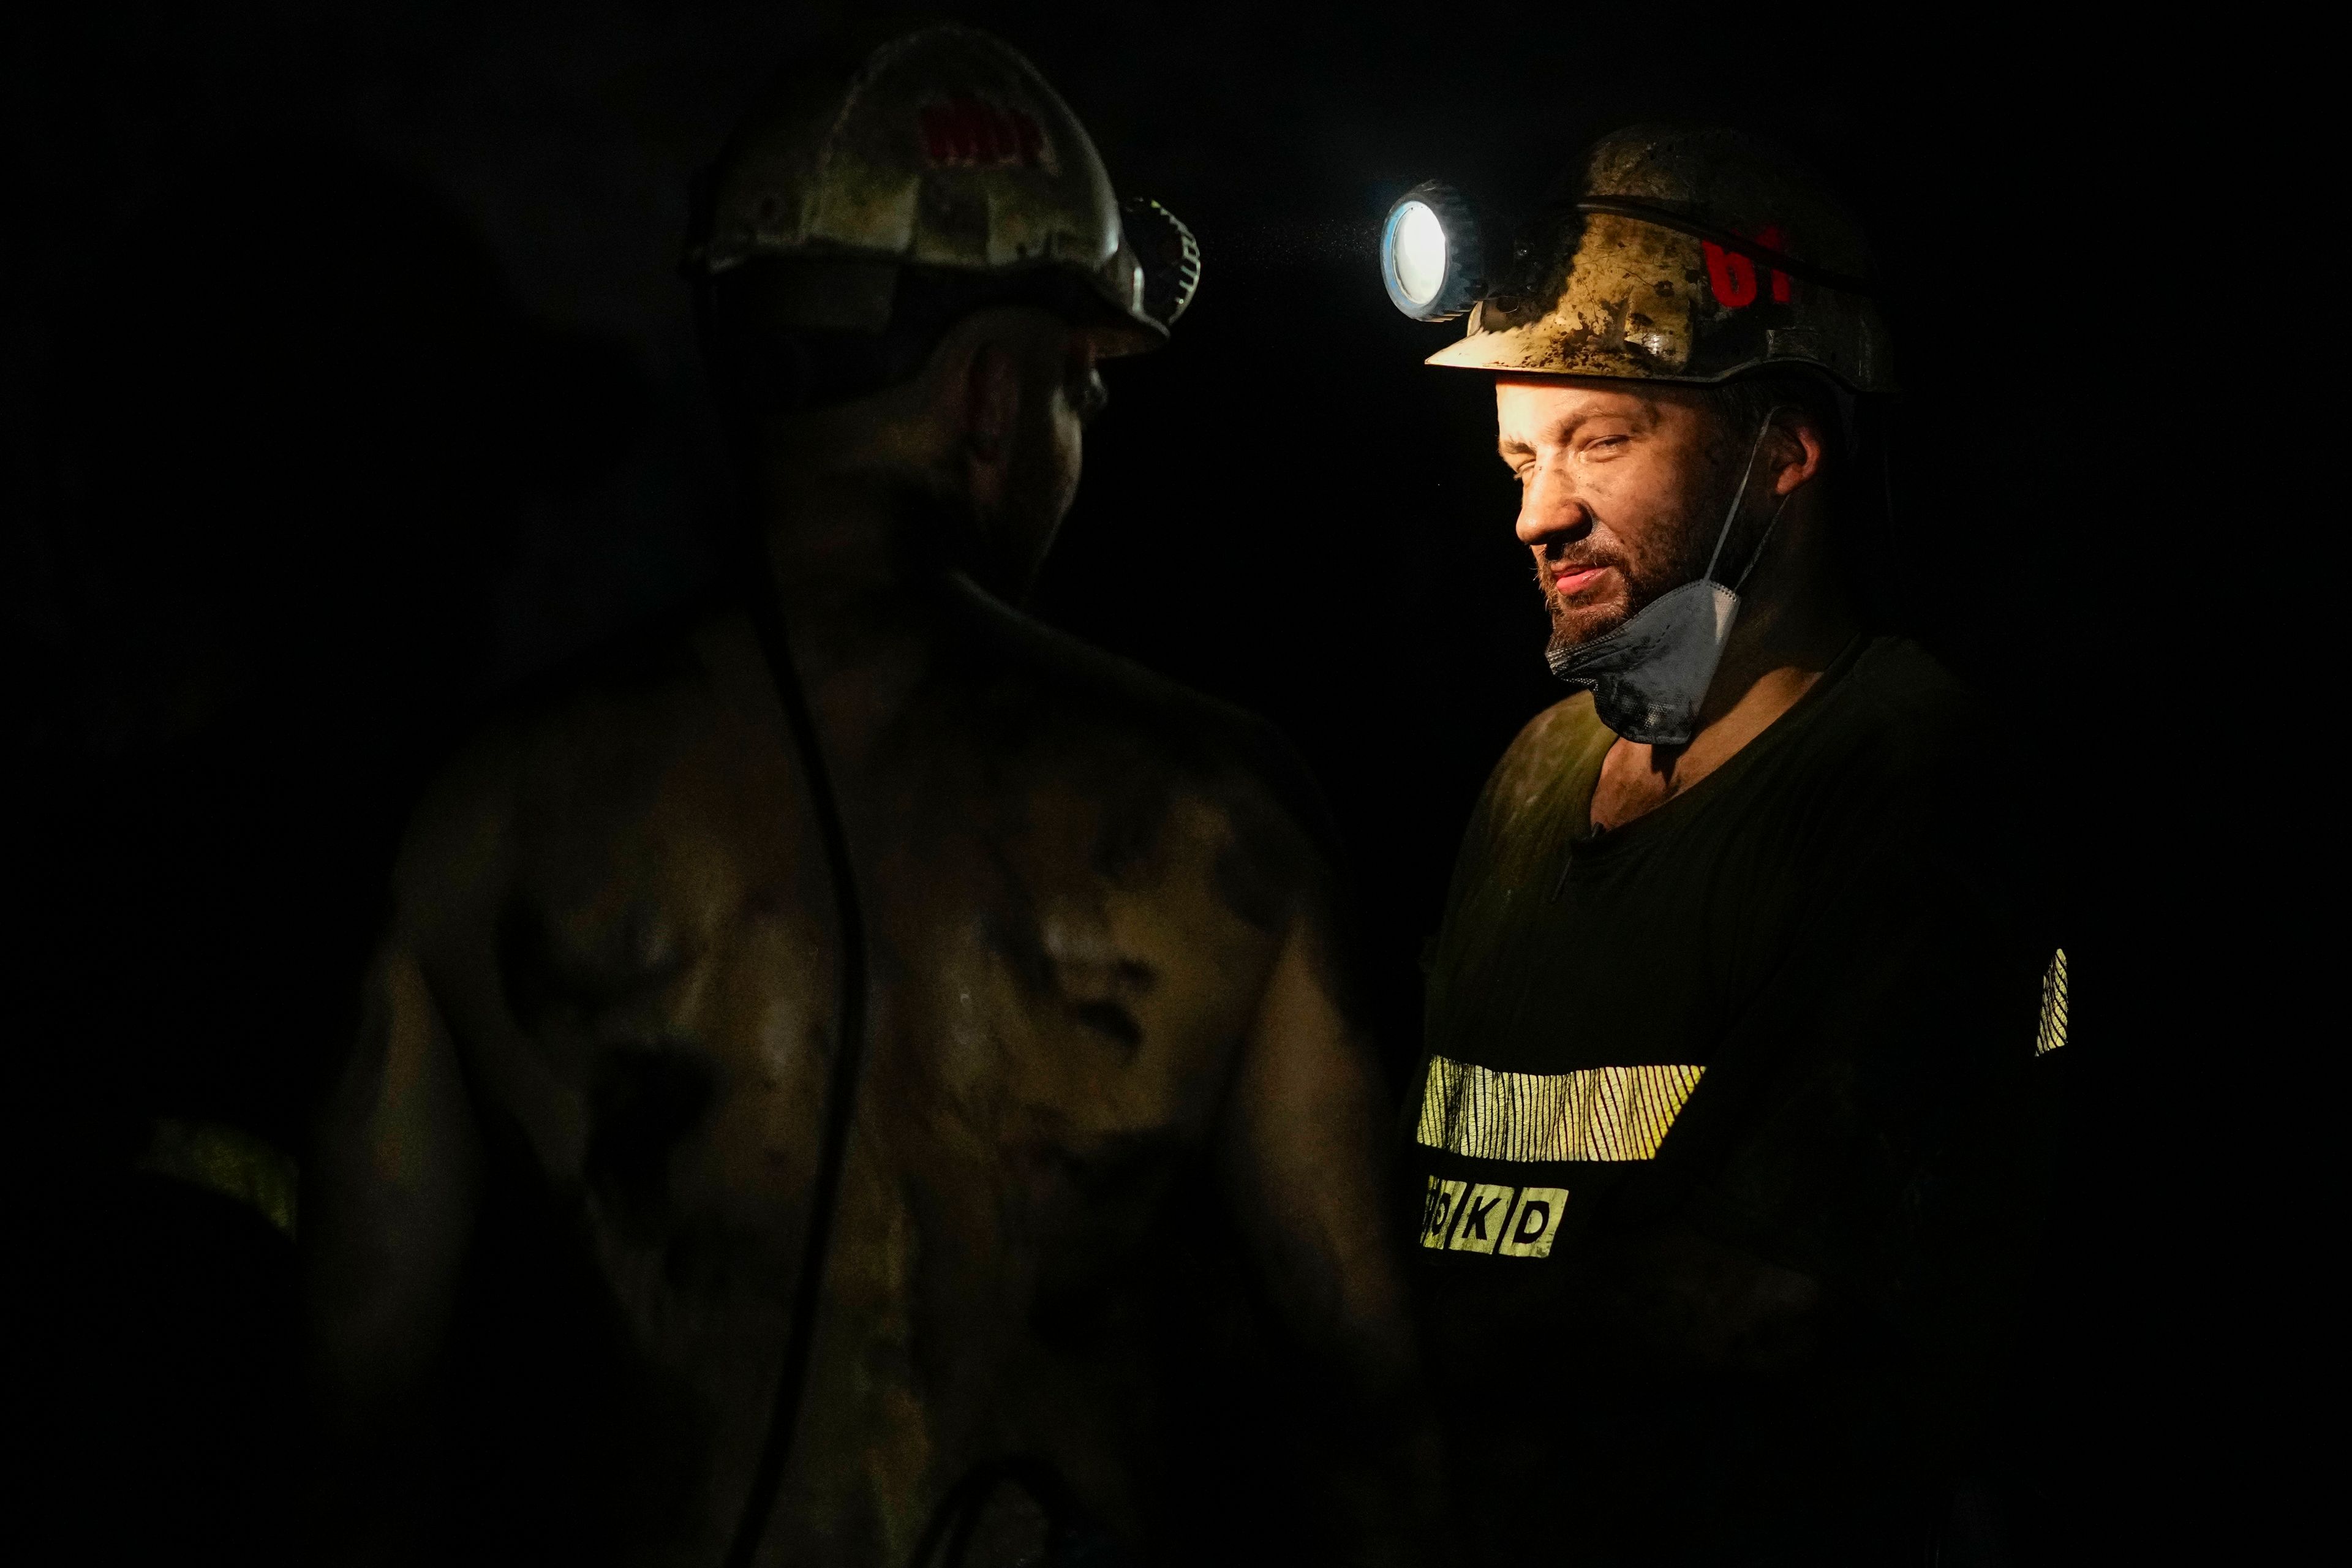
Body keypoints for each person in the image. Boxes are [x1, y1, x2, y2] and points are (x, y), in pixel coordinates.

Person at [305, 26, 1431, 1567]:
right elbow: (1375, 1404)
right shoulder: (1214, 817)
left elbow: (355, 1416)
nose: (1078, 443)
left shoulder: (478, 821)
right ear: (984, 395)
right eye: (1077, 394)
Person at [1402, 125, 2062, 1564]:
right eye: (1518, 452)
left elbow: (1774, 1294)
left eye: (1600, 440)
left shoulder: (1913, 770)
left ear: (1787, 448)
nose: (1537, 509)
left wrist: (1352, 1330)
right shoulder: (1532, 772)